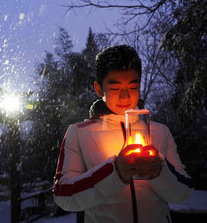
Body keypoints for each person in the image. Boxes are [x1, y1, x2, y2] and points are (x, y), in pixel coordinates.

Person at [53, 45, 194, 223]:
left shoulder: (160, 132)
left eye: (133, 87)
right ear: (99, 89)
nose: (125, 96)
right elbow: (63, 195)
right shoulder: (79, 133)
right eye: (115, 88)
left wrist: (160, 171)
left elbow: (184, 192)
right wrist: (115, 171)